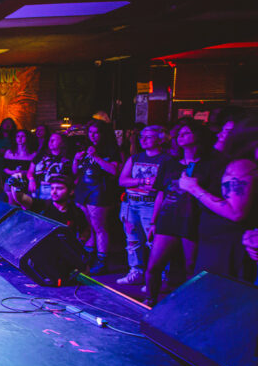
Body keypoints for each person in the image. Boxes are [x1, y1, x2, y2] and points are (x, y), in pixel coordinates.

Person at [143, 121, 222, 305]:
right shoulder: (169, 163)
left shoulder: (209, 165)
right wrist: (153, 222)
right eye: (179, 133)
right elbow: (161, 193)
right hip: (168, 218)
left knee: (191, 267)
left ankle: (189, 305)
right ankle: (149, 301)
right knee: (154, 265)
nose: (181, 136)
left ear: (199, 136)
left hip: (193, 219)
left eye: (187, 132)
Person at [181, 153, 258, 282]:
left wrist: (194, 188)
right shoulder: (215, 162)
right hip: (214, 243)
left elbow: (236, 213)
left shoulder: (240, 166)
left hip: (228, 246)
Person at [114, 126, 171, 286]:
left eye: (149, 137)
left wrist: (137, 183)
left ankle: (160, 276)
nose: (143, 140)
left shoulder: (166, 160)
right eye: (141, 136)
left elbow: (161, 186)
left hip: (150, 204)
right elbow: (122, 180)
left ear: (160, 139)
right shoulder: (135, 158)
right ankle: (136, 271)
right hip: (131, 202)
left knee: (154, 242)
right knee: (132, 240)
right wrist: (143, 181)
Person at [73, 119, 121, 274]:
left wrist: (97, 157)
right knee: (88, 226)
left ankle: (102, 261)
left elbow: (114, 171)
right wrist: (76, 160)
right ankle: (89, 258)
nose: (93, 135)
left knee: (99, 227)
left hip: (99, 190)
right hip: (83, 188)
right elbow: (75, 172)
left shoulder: (111, 150)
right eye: (90, 132)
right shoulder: (85, 148)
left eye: (96, 132)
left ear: (103, 134)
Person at [11, 174, 90, 243]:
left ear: (71, 192)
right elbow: (20, 198)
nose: (54, 192)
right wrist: (16, 185)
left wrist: (79, 243)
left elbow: (85, 231)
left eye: (59, 188)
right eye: (52, 188)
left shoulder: (76, 212)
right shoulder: (42, 205)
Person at [28, 131, 72, 201]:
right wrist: (31, 180)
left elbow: (71, 176)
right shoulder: (41, 155)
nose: (50, 142)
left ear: (62, 142)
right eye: (50, 140)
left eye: (54, 140)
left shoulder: (67, 158)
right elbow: (30, 171)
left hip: (55, 190)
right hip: (37, 188)